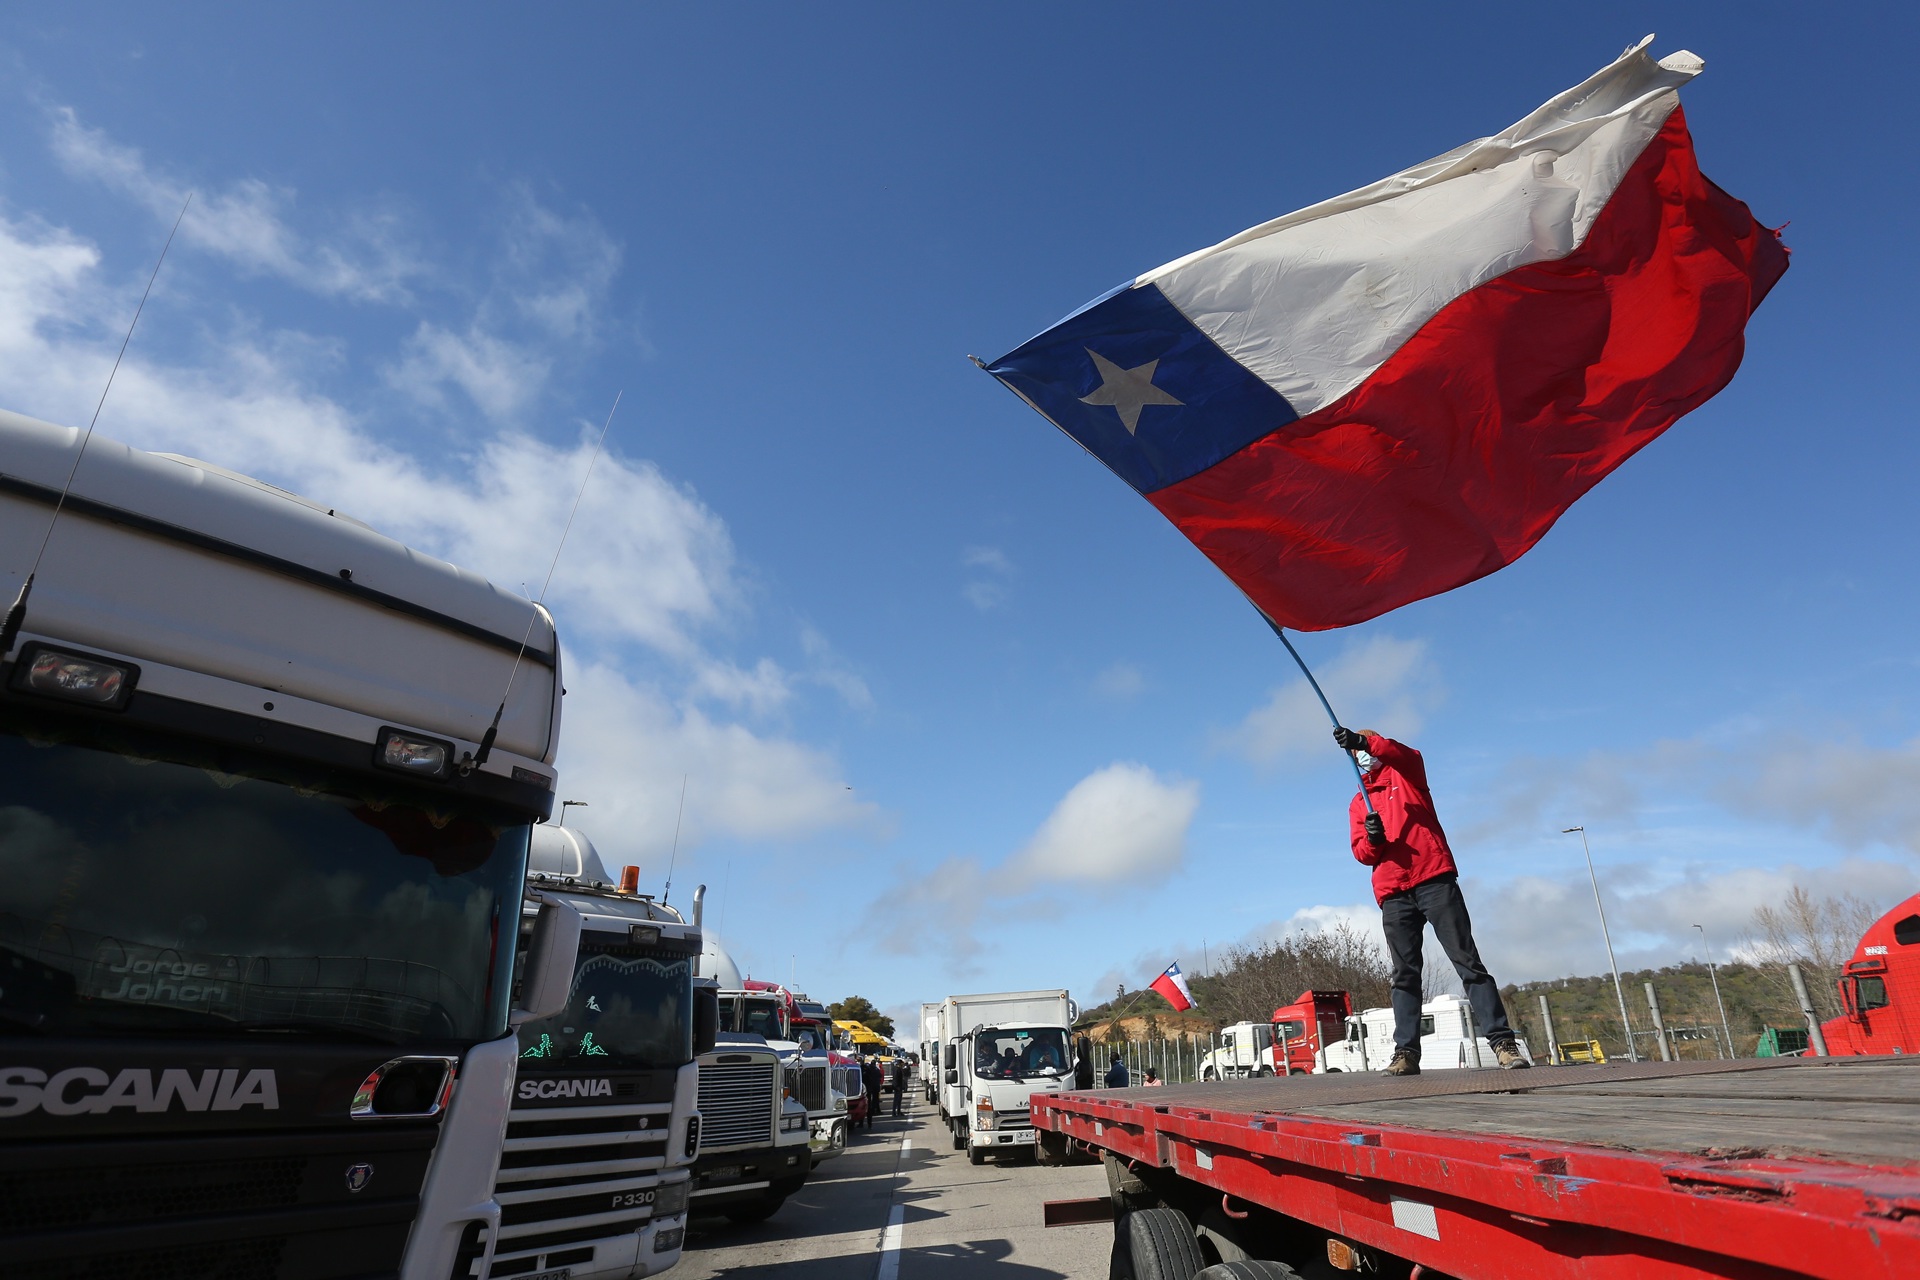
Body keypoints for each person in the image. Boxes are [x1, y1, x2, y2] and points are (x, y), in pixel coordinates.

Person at [1334, 726, 1529, 1076]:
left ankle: (1502, 1042)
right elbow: (1362, 852)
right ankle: (1405, 1053)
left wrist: (1362, 740)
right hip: (1394, 893)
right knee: (1404, 975)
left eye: (1365, 747)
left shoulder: (1406, 775)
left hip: (1433, 879)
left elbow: (1406, 755)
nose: (1362, 756)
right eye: (1356, 753)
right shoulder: (1358, 802)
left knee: (1467, 962)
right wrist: (1375, 840)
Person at [863, 1056, 884, 1125]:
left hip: (869, 1087)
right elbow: (880, 1075)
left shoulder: (868, 1070)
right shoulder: (876, 1069)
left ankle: (873, 1111)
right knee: (875, 1099)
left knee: (870, 1100)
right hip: (875, 1086)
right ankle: (875, 1110)